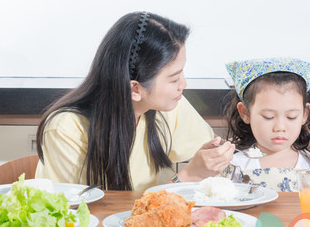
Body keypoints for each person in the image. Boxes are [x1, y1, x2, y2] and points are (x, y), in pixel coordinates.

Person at [35, 11, 235, 191]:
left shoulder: (170, 106)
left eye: (182, 72)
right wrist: (189, 175)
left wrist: (216, 158)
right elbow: (81, 214)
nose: (183, 83)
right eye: (174, 78)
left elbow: (211, 156)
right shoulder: (66, 129)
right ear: (135, 88)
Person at [222, 57, 310, 192]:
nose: (280, 127)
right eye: (268, 117)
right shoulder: (235, 164)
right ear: (245, 113)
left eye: (291, 117)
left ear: (304, 114)